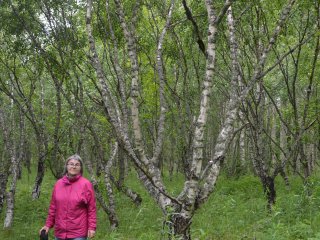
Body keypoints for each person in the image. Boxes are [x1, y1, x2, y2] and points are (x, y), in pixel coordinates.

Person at [39, 154, 97, 240]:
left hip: (78, 233)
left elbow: (91, 208)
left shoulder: (86, 184)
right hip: (60, 232)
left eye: (77, 164)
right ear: (66, 166)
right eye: (71, 164)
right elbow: (53, 207)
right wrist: (48, 225)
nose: (74, 167)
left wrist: (92, 227)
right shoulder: (58, 184)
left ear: (80, 168)